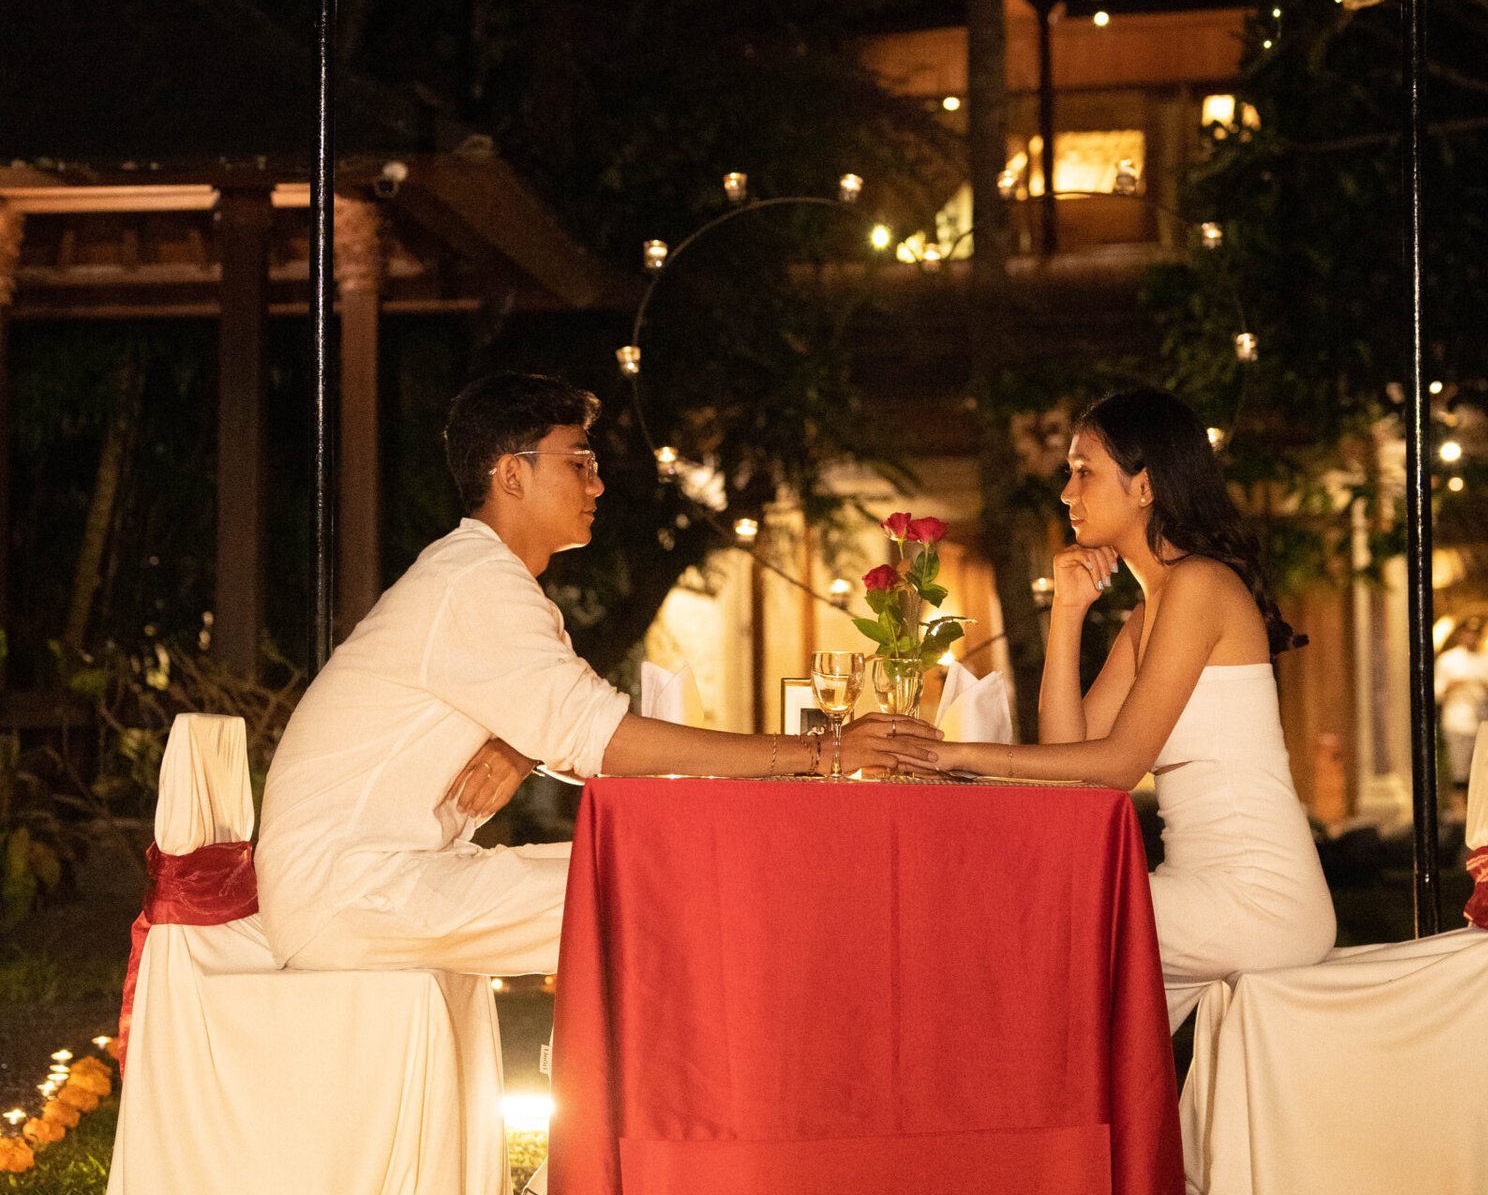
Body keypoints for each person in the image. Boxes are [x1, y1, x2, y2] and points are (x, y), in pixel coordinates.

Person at [255, 370, 926, 983]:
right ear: (510, 475)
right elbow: (600, 742)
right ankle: (683, 1101)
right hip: (352, 894)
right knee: (678, 885)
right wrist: (821, 752)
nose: (597, 485)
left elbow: (568, 731)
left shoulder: (476, 576)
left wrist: (521, 748)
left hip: (373, 882)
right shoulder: (474, 582)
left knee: (671, 867)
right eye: (580, 464)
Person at [904, 387, 1335, 1019]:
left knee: (1025, 921)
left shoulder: (1200, 586)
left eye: (1084, 472)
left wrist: (953, 756)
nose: (1067, 493)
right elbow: (1069, 768)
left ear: (1145, 486)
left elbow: (1113, 766)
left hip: (1258, 902)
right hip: (1196, 895)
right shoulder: (1148, 613)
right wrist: (1069, 615)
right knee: (1046, 972)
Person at [1434, 620, 1488, 800]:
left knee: (1483, 764)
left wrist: (1483, 684)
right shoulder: (1448, 659)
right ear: (1460, 635)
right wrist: (1453, 685)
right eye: (1467, 634)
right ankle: (1460, 806)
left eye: (1475, 634)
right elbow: (1436, 690)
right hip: (1456, 719)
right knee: (1459, 765)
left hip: (1482, 719)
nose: (1471, 638)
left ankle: (1482, 804)